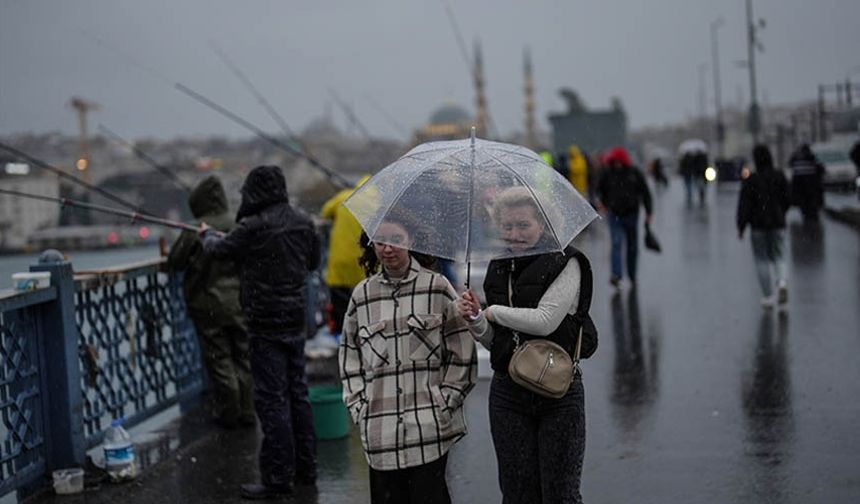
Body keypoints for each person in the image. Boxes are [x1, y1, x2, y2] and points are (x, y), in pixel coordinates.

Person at [456, 186, 590, 504]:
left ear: (542, 224)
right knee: (517, 494)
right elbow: (495, 340)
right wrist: (476, 318)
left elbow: (545, 321)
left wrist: (493, 311)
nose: (514, 234)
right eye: (507, 226)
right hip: (509, 391)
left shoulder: (567, 261)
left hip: (558, 391)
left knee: (560, 494)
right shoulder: (499, 267)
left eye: (523, 225)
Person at [200, 165, 321, 500]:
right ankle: (306, 468)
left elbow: (218, 251)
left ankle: (278, 478)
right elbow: (312, 262)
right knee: (298, 394)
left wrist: (207, 235)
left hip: (264, 322)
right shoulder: (303, 221)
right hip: (295, 319)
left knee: (272, 400)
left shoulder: (252, 226)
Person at [339, 214, 477, 504]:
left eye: (396, 240)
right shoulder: (362, 296)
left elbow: (462, 351)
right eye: (380, 241)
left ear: (411, 240)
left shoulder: (436, 286)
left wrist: (445, 403)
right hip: (380, 434)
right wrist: (360, 408)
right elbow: (349, 356)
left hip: (429, 431)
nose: (388, 248)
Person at [167, 175, 254, 429]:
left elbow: (175, 262)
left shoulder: (196, 229)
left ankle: (229, 411)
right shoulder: (238, 223)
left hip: (207, 305)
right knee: (243, 356)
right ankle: (248, 410)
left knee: (219, 358)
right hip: (239, 302)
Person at [736, 144, 791, 309]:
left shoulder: (751, 180)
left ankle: (768, 296)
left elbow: (744, 206)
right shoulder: (779, 176)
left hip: (758, 225)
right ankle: (782, 282)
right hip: (778, 223)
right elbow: (788, 198)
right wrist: (781, 212)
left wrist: (741, 226)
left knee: (761, 259)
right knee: (779, 256)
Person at [595, 147, 653, 289]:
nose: (617, 164)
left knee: (632, 247)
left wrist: (649, 212)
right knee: (617, 243)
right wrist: (602, 203)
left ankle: (631, 275)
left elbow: (645, 193)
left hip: (631, 214)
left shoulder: (634, 173)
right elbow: (600, 190)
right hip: (615, 214)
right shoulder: (608, 174)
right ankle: (616, 275)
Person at [320, 175, 370, 336]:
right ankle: (363, 329)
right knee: (366, 298)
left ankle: (342, 332)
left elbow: (325, 212)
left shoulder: (345, 197)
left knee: (340, 299)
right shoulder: (379, 203)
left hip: (340, 258)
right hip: (364, 260)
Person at [787, 144, 825, 221]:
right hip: (811, 186)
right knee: (811, 204)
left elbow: (790, 165)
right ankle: (812, 218)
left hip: (800, 187)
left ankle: (807, 217)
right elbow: (820, 169)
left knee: (804, 204)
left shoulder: (796, 159)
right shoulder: (812, 157)